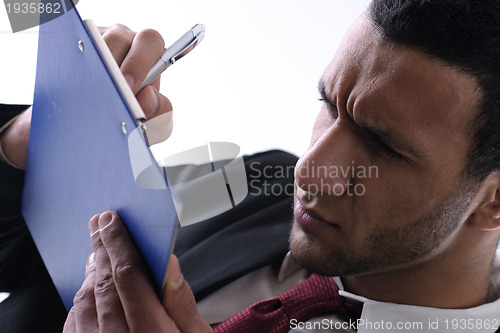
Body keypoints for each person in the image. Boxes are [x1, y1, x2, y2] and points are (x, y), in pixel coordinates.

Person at [3, 0, 500, 332]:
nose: (310, 170)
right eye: (328, 103)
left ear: (493, 200)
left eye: (383, 147)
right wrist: (39, 134)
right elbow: (28, 257)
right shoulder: (255, 182)